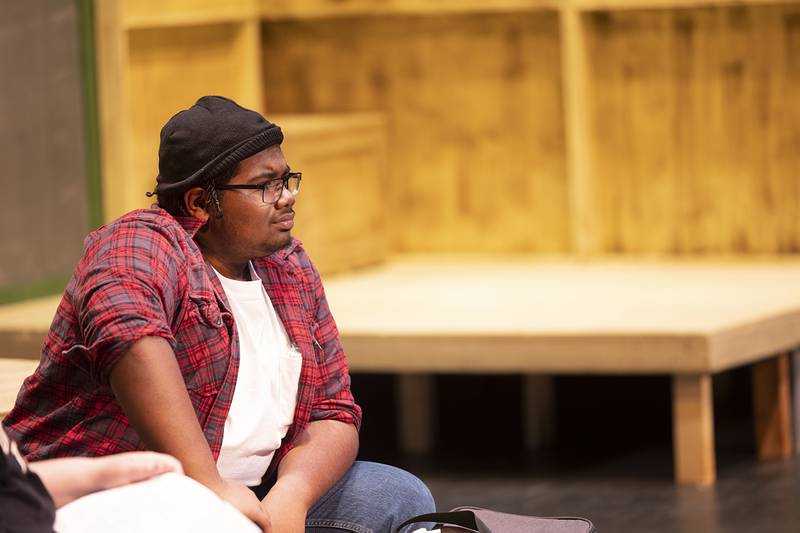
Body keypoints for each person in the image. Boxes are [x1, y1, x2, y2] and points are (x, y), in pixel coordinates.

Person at [4, 96, 435, 532]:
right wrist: (207, 484)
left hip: (251, 489)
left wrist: (293, 495)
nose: (286, 197)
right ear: (199, 203)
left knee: (396, 495)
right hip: (113, 493)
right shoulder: (139, 244)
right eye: (266, 185)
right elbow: (129, 337)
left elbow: (333, 410)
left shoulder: (289, 264)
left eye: (288, 180)